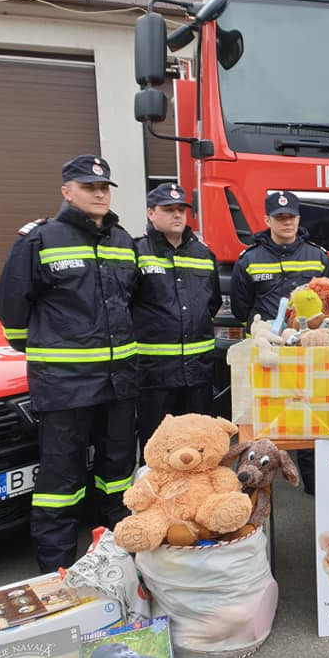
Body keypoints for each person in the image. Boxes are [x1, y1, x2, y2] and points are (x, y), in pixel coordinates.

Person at [0, 155, 139, 572]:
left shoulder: (121, 241)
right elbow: (11, 307)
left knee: (116, 474)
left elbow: (127, 301)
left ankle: (120, 562)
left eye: (104, 187)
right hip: (65, 386)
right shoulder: (39, 239)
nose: (99, 193)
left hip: (117, 384)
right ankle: (57, 574)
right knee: (61, 482)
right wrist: (47, 353)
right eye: (88, 186)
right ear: (66, 191)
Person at [230, 190, 329, 495]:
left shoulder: (317, 255)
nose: (287, 222)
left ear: (298, 218)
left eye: (291, 216)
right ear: (267, 220)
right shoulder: (250, 259)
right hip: (270, 352)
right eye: (280, 218)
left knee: (311, 413)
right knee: (263, 418)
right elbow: (241, 306)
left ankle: (316, 484)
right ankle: (257, 485)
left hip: (310, 352)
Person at [133, 183, 222, 456]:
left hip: (197, 374)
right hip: (155, 374)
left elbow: (212, 303)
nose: (177, 215)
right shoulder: (136, 252)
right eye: (168, 209)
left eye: (181, 209)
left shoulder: (204, 255)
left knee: (199, 446)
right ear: (151, 213)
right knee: (158, 450)